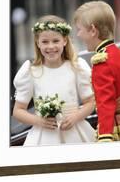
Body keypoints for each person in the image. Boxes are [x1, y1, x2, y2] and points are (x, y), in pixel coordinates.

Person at [13, 15, 96, 146]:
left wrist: (76, 117)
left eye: (56, 41)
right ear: (37, 43)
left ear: (64, 41)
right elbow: (18, 111)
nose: (50, 46)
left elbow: (90, 102)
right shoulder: (31, 71)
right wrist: (39, 120)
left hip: (75, 132)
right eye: (45, 42)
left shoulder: (76, 67)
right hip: (43, 137)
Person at [73, 0, 120, 142]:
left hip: (117, 127)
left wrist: (105, 136)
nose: (78, 35)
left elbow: (105, 103)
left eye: (79, 29)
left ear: (93, 30)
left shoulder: (102, 61)